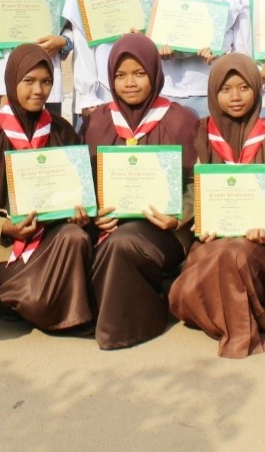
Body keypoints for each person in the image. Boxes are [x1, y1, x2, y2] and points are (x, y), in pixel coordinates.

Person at [0, 44, 93, 332]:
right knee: (33, 300)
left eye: (46, 82)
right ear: (11, 82)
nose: (38, 90)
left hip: (53, 238)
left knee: (75, 236)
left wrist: (80, 212)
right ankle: (20, 298)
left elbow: (79, 191)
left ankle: (70, 315)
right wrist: (5, 228)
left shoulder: (61, 130)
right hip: (5, 245)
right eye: (28, 81)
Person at [168, 55, 265, 358]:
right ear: (213, 93)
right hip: (212, 233)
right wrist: (197, 219)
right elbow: (189, 189)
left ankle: (240, 331)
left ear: (256, 89)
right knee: (182, 295)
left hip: (259, 239)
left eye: (244, 87)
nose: (235, 97)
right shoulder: (199, 134)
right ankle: (235, 313)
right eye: (226, 89)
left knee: (232, 254)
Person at [80, 33, 199, 349]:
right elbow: (83, 184)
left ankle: (126, 326)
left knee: (122, 243)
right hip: (108, 225)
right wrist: (93, 216)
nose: (129, 83)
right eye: (120, 75)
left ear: (155, 73)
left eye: (139, 73)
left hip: (164, 228)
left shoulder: (181, 121)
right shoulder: (98, 122)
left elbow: (197, 185)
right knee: (106, 241)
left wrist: (178, 218)